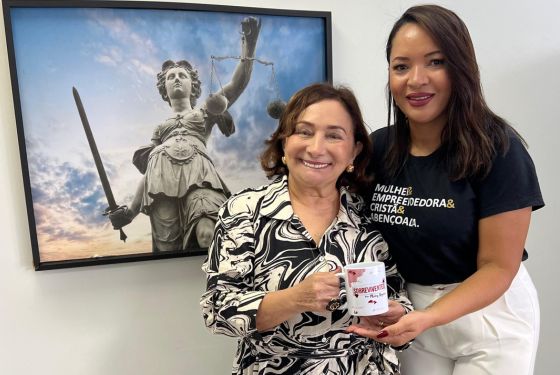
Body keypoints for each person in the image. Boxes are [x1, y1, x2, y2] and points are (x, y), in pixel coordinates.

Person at [346, 5, 544, 375]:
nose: (415, 80)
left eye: (435, 62)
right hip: (413, 310)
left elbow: (499, 267)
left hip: (489, 313)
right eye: (401, 66)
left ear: (460, 67)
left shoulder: (498, 149)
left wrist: (430, 317)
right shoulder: (380, 149)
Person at [200, 83, 413, 374]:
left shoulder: (368, 214)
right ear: (284, 142)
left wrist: (398, 316)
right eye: (304, 131)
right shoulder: (244, 211)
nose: (316, 148)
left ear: (354, 151)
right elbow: (217, 310)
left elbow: (398, 295)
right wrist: (296, 298)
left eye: (334, 135)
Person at [108, 17, 260, 252]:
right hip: (161, 180)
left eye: (182, 75)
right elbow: (149, 172)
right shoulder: (160, 129)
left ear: (193, 85)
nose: (176, 78)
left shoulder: (206, 109)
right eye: (170, 77)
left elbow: (238, 83)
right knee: (168, 246)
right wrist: (130, 211)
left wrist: (248, 44)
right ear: (164, 89)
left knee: (208, 233)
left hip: (200, 174)